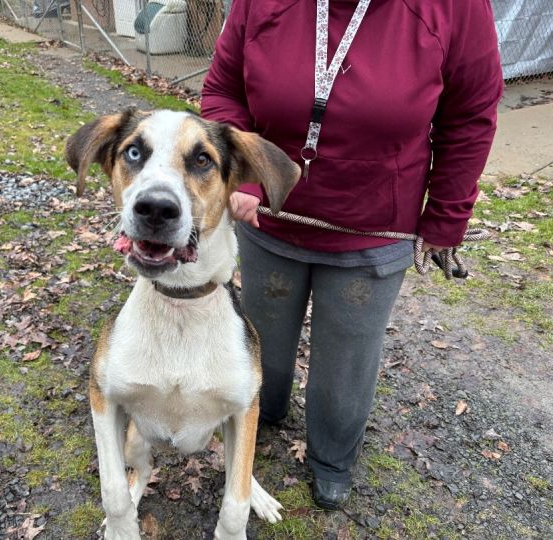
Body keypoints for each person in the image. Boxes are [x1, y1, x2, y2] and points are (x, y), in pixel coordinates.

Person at [201, 0, 503, 510]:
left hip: (374, 227)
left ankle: (332, 457)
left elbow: (470, 117)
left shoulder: (455, 8)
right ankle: (263, 413)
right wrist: (243, 172)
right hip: (270, 218)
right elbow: (224, 90)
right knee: (261, 341)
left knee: (347, 362)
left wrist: (447, 217)